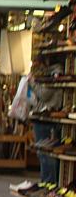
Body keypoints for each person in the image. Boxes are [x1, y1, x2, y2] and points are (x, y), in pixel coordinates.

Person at [30, 55, 63, 184]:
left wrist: (32, 83)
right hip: (43, 118)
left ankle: (48, 183)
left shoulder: (56, 73)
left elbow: (44, 95)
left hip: (47, 119)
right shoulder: (50, 73)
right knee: (43, 153)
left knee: (46, 155)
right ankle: (47, 182)